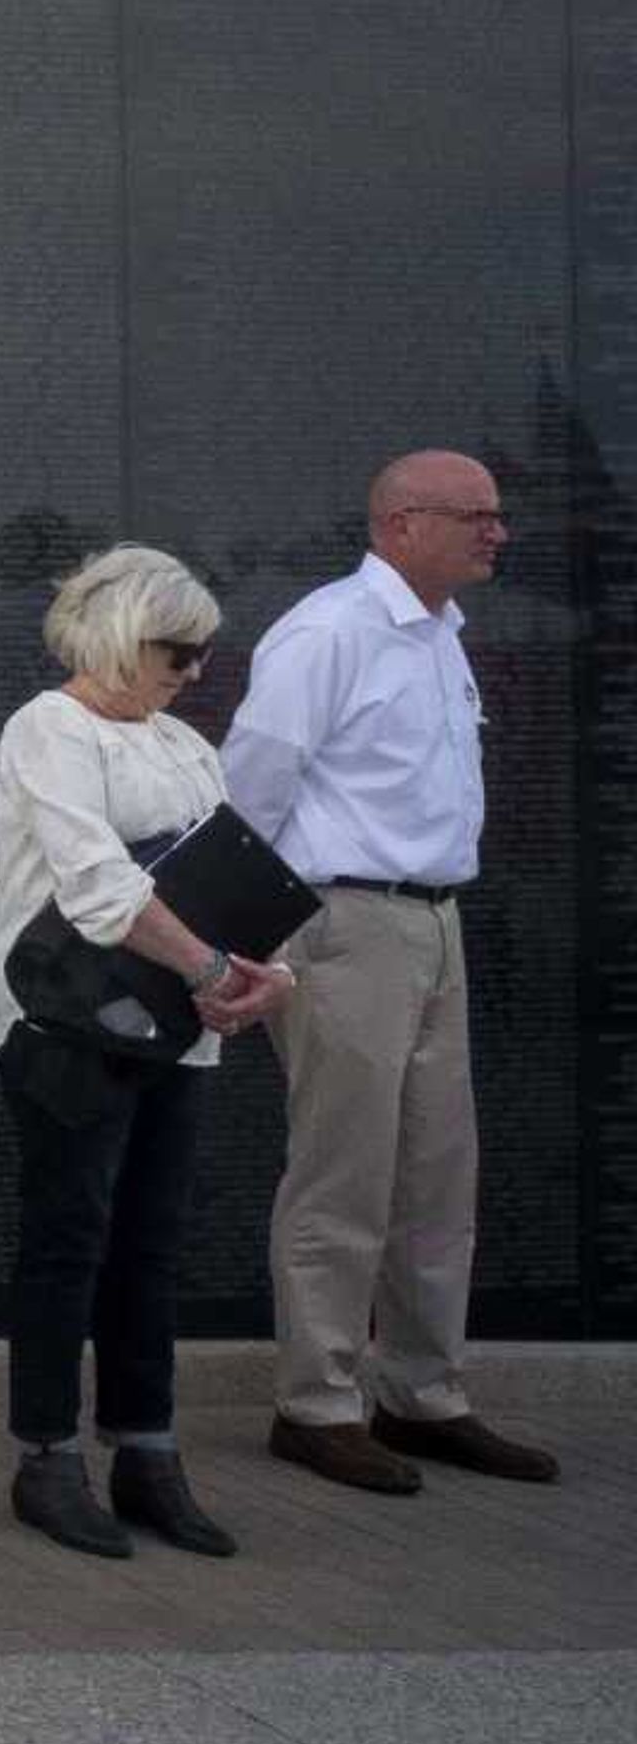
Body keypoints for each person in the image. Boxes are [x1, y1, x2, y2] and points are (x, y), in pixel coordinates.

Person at [227, 451, 558, 1491]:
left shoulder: (443, 639)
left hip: (434, 924)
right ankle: (317, 1401)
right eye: (478, 514)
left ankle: (423, 1394)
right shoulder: (330, 632)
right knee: (346, 1169)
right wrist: (249, 939)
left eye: (498, 516)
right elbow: (250, 787)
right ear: (403, 523)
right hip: (347, 925)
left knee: (436, 1171)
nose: (498, 531)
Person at [0, 546, 289, 1558]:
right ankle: (47, 1455)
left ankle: (146, 1450)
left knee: (153, 1240)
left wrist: (263, 971)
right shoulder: (48, 728)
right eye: (177, 649)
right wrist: (213, 971)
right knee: (72, 1234)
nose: (195, 669)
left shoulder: (184, 748)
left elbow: (236, 869)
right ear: (116, 635)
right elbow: (96, 887)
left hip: (179, 1022)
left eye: (204, 652)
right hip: (66, 1020)